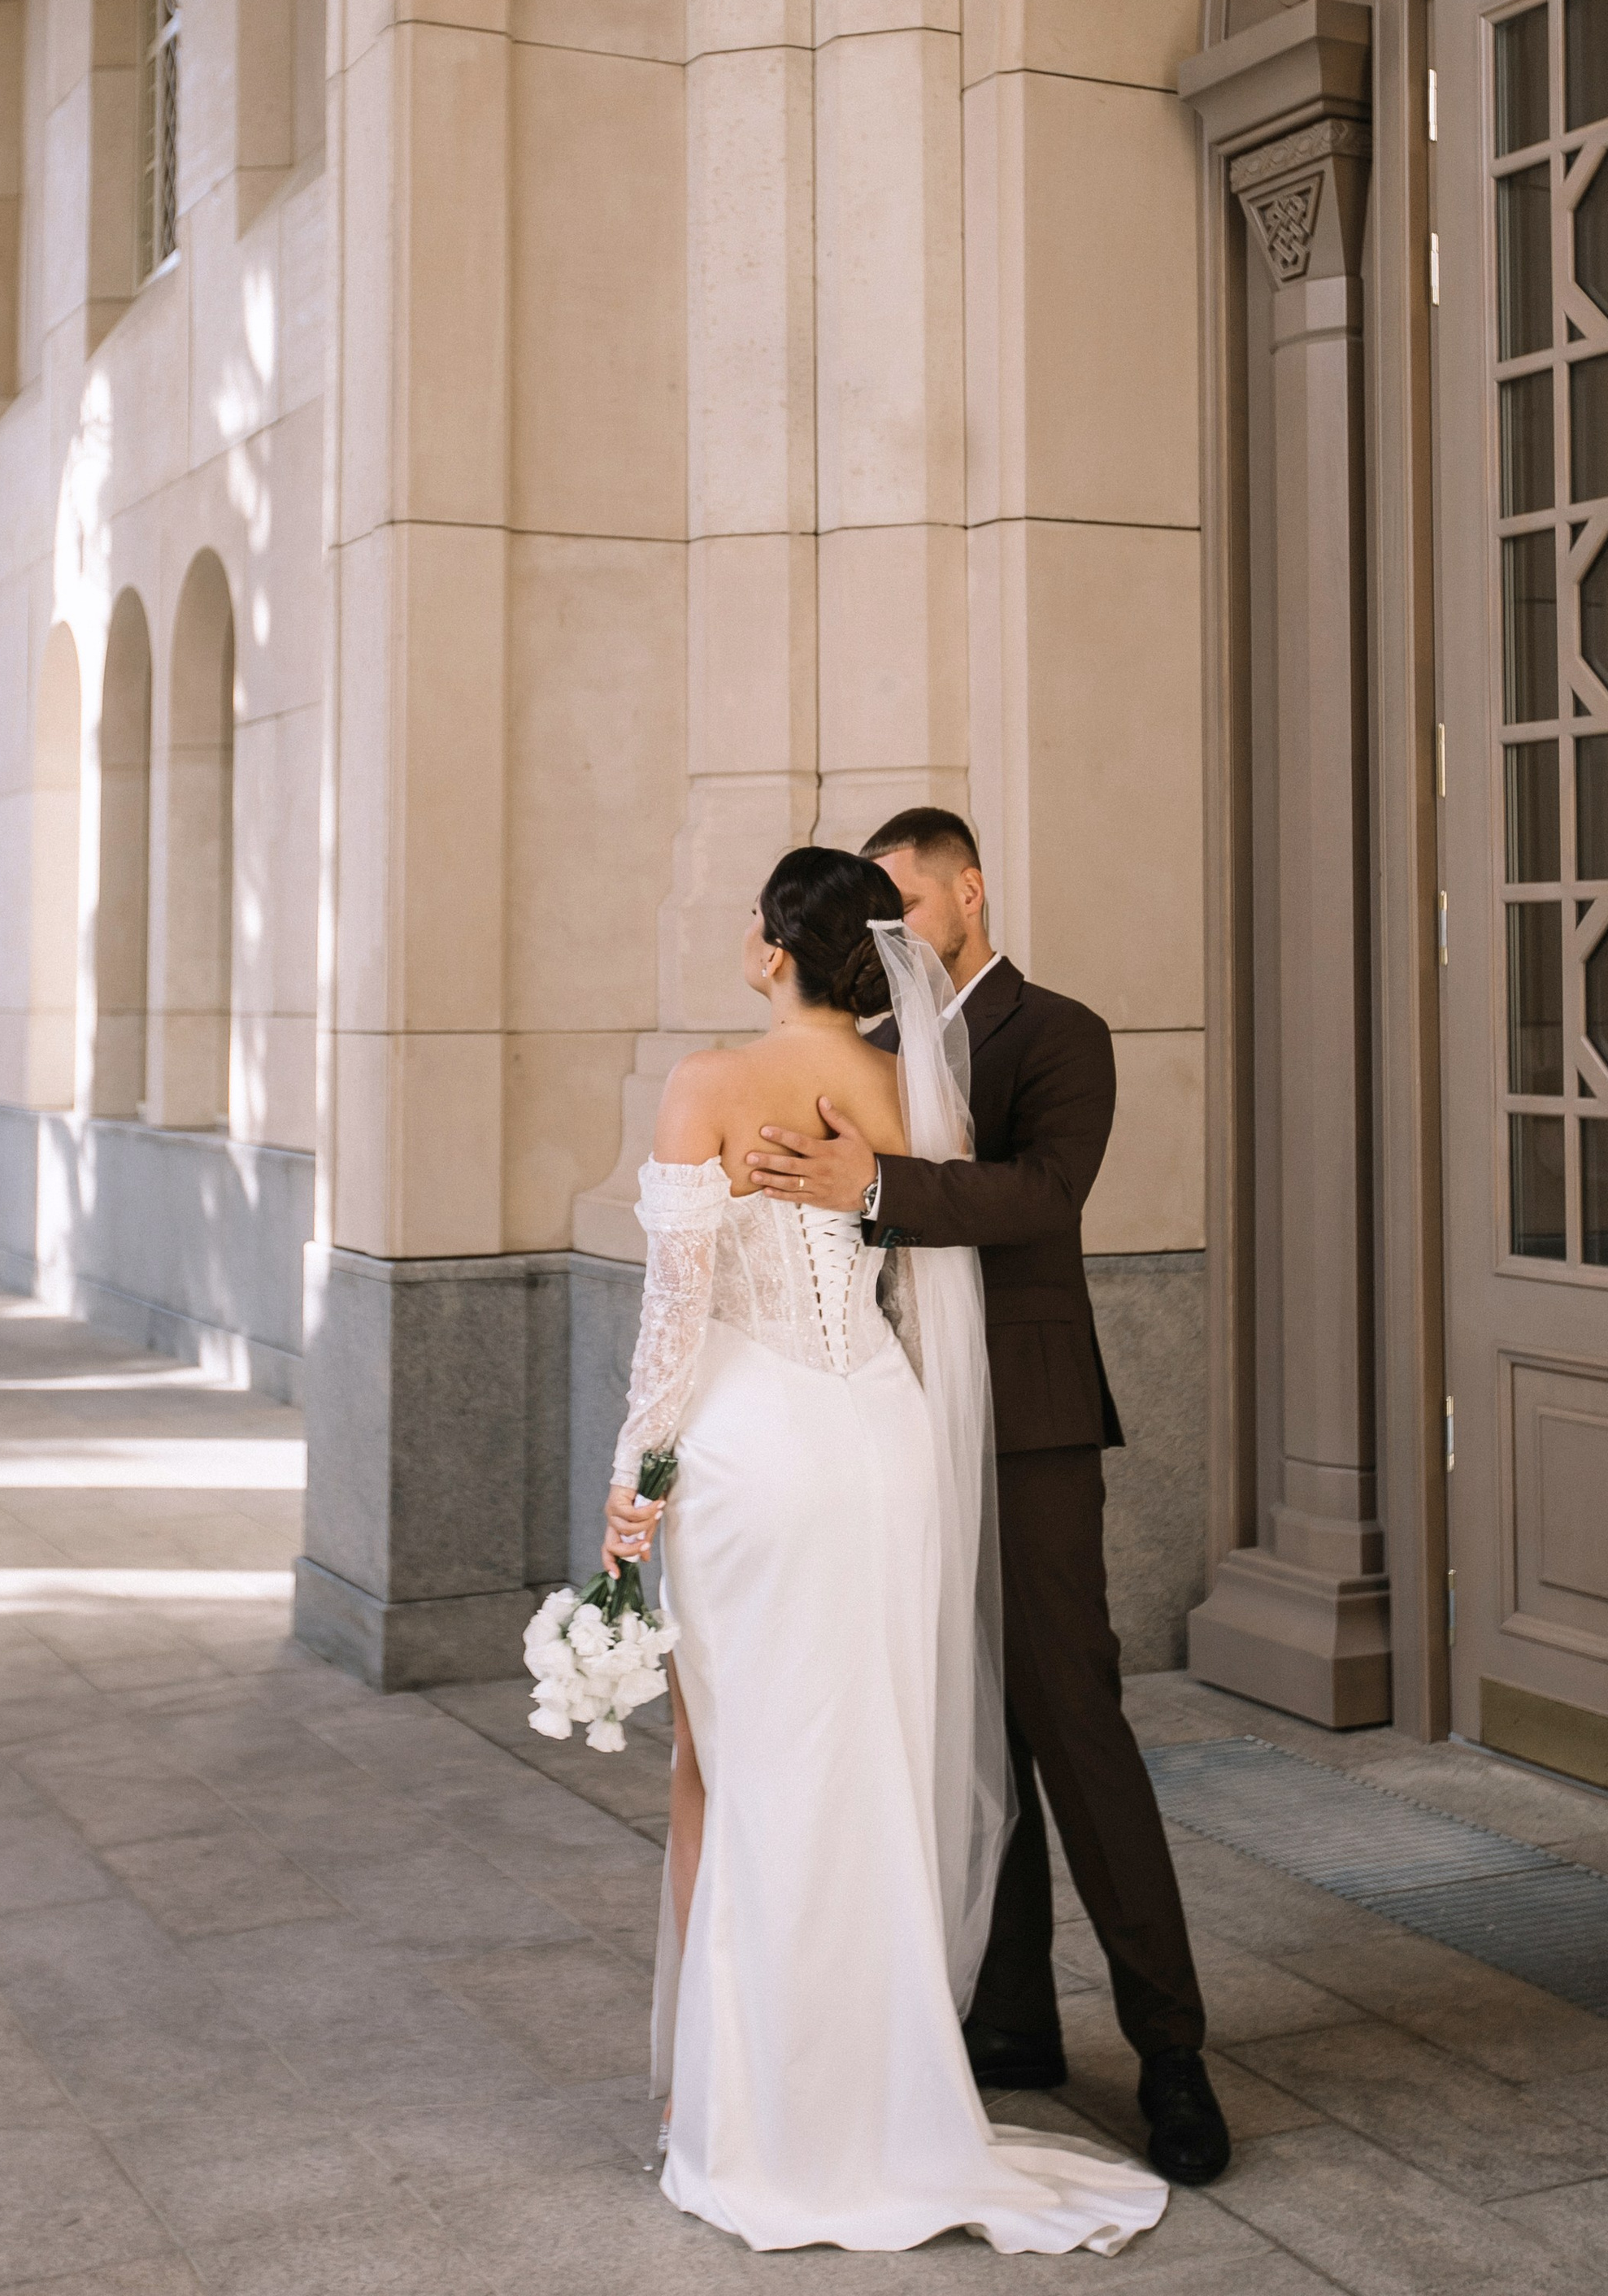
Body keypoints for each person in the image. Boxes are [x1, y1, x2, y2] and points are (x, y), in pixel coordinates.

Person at [602, 844, 1168, 2257]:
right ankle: (876, 2096)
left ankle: (745, 2114)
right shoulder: (909, 1090)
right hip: (882, 1437)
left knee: (725, 1763)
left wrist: (634, 1485)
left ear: (772, 949)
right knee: (865, 1759)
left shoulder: (703, 1089)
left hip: (753, 1452)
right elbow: (927, 1288)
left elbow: (674, 1320)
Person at [744, 811, 1230, 2190]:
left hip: (1027, 1430)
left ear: (968, 889)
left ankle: (1174, 2053)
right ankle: (1008, 2020)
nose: (883, 930)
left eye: (904, 901)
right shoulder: (865, 1049)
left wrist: (880, 1184)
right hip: (884, 1429)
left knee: (1072, 1721)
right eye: (868, 910)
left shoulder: (1058, 1032)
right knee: (944, 1711)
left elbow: (1047, 1194)